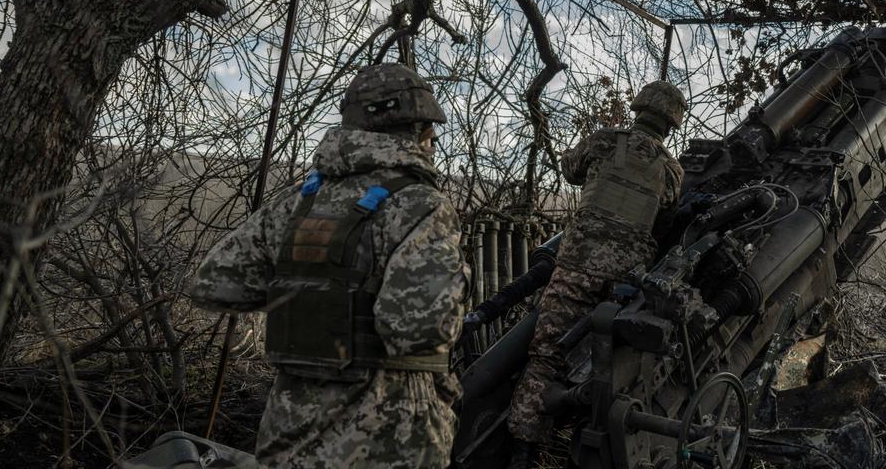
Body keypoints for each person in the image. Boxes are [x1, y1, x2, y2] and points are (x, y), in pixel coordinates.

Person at [189, 63, 467, 468]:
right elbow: (416, 331)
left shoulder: (300, 201)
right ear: (423, 132)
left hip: (290, 428)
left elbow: (215, 284)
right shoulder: (421, 206)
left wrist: (306, 296)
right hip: (390, 434)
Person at [505, 80, 687, 466]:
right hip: (625, 279)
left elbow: (570, 169)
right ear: (672, 123)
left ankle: (524, 451)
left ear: (638, 108)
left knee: (547, 354)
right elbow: (665, 217)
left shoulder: (604, 141)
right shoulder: (671, 170)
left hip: (578, 264)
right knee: (605, 363)